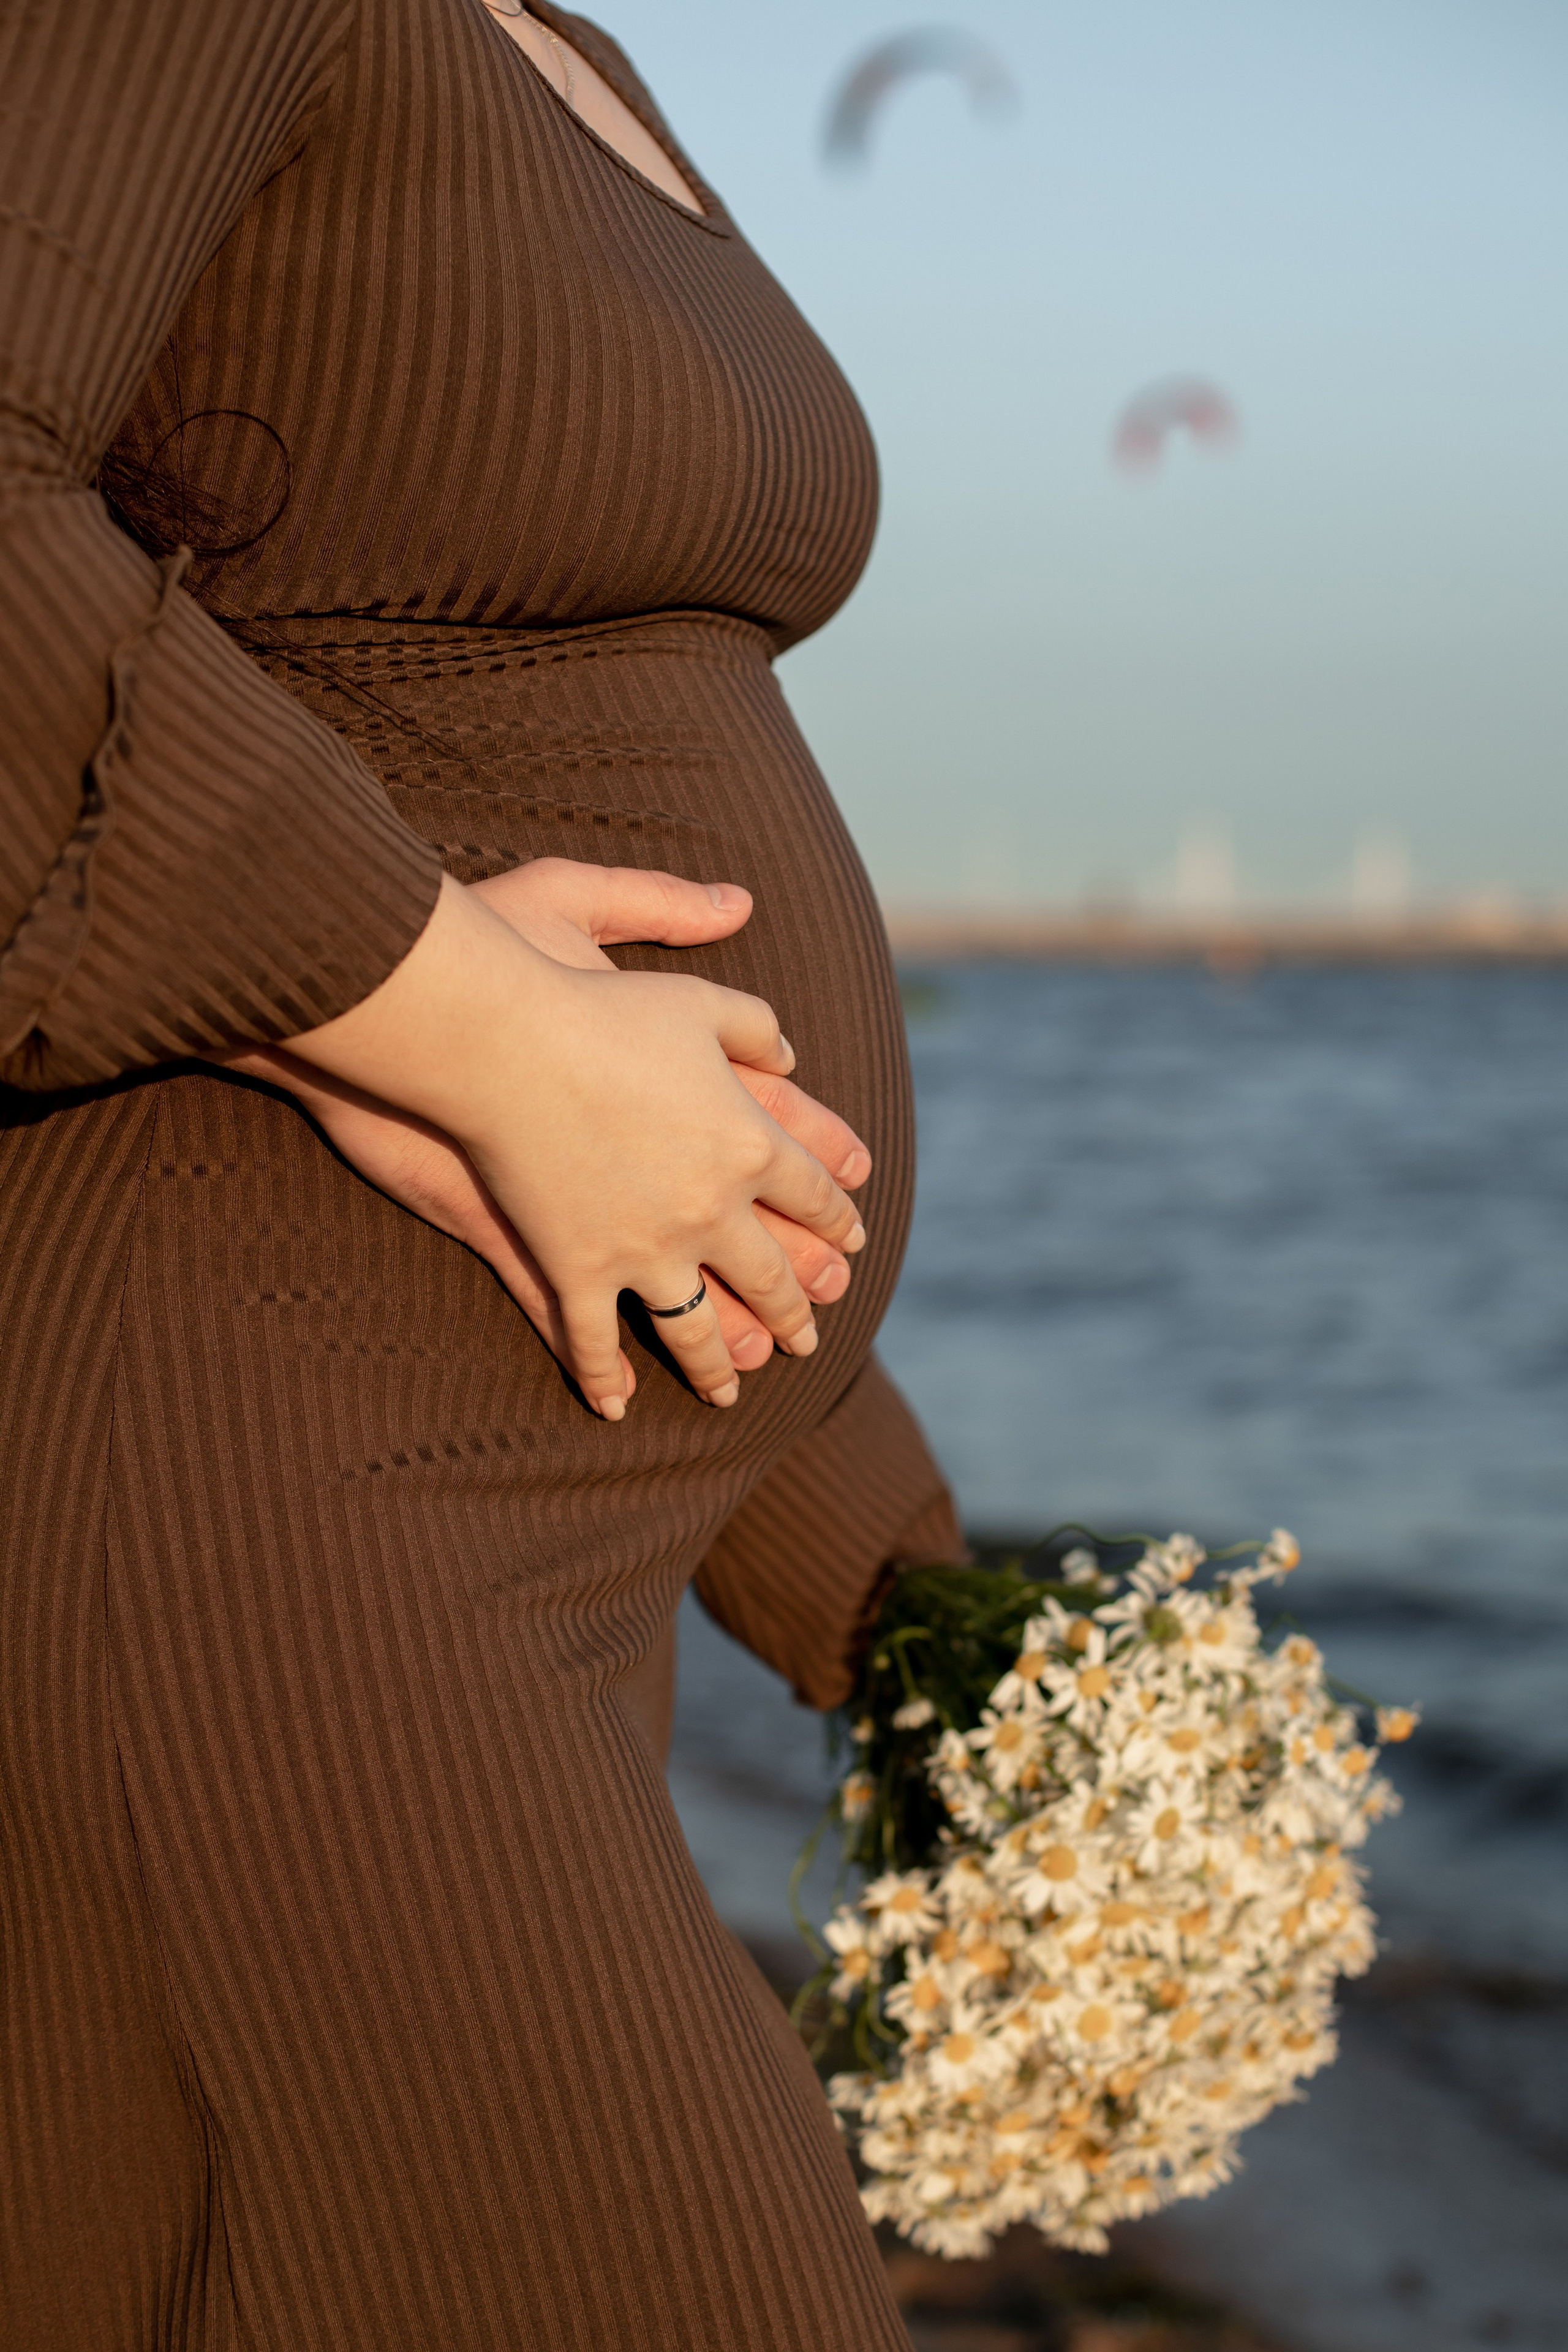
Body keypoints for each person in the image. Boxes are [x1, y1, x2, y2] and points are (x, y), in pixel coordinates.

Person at [0, 4, 963, 2345]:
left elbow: (636, 1098)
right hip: (255, 1533)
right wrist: (465, 1016)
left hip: (496, 1532)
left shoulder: (560, 42)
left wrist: (939, 1640)